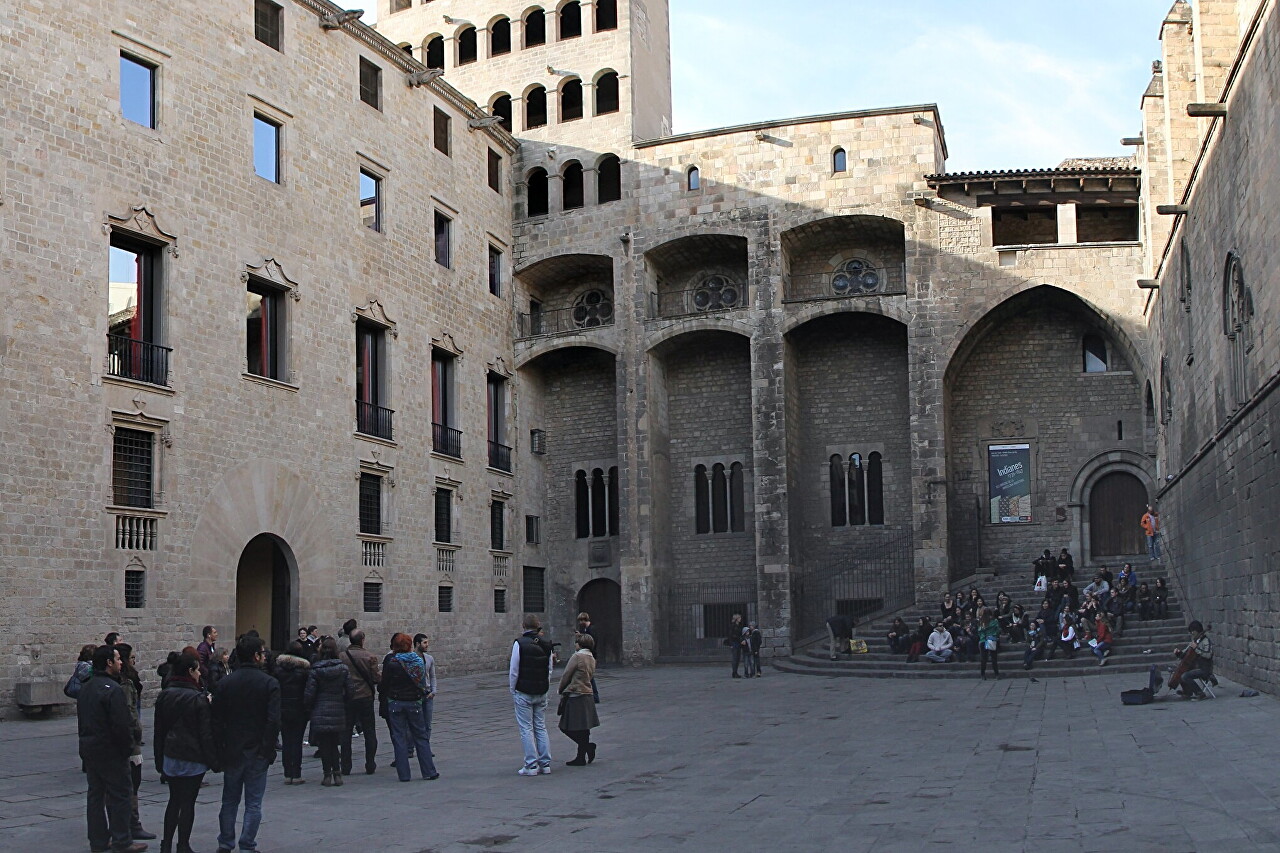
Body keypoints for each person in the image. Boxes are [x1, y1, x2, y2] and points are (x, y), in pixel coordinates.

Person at [212, 635, 280, 853]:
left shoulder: (225, 683)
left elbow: (216, 720)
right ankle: (247, 844)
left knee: (229, 800)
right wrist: (267, 749)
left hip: (232, 749)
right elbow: (273, 720)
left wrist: (220, 748)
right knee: (253, 802)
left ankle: (225, 842)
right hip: (257, 749)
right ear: (256, 656)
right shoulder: (269, 683)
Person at [79, 644, 147, 853]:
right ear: (108, 663)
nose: (121, 662)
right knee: (120, 796)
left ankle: (98, 841)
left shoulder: (87, 687)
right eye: (117, 659)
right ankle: (122, 840)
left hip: (91, 750)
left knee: (95, 796)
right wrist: (127, 748)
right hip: (111, 752)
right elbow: (121, 724)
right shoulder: (113, 690)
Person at [154, 651, 219, 853]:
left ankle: (166, 843)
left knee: (174, 800)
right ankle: (183, 844)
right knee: (188, 802)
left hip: (171, 754)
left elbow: (159, 731)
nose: (200, 674)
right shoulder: (197, 698)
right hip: (192, 756)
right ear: (190, 671)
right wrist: (214, 761)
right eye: (197, 670)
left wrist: (159, 760)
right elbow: (205, 734)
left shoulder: (165, 695)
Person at [379, 632, 438, 782]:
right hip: (414, 702)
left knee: (399, 738)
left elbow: (384, 684)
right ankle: (429, 771)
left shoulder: (391, 662)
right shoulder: (418, 662)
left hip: (396, 702)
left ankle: (404, 774)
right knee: (421, 736)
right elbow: (422, 683)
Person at [113, 644, 155, 843]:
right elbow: (129, 714)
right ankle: (131, 824)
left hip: (114, 741)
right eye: (130, 657)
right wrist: (135, 739)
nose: (131, 661)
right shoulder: (124, 684)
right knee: (131, 784)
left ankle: (126, 825)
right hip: (127, 740)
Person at [510, 615, 556, 776]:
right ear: (538, 627)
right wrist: (545, 684)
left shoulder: (519, 643)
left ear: (524, 626)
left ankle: (531, 765)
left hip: (524, 690)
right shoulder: (546, 644)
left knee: (526, 728)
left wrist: (513, 688)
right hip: (541, 690)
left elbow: (514, 670)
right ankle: (545, 763)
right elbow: (549, 669)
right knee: (540, 726)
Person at [304, 637, 352, 787]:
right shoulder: (343, 668)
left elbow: (310, 693)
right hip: (337, 707)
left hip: (320, 708)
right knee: (334, 742)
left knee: (325, 744)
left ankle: (327, 774)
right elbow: (350, 690)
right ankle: (337, 773)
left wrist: (309, 706)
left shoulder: (316, 669)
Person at [339, 628, 380, 777]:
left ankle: (345, 765)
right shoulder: (369, 656)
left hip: (347, 697)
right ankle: (370, 763)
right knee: (369, 731)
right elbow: (375, 678)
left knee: (346, 732)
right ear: (362, 640)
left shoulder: (342, 656)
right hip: (365, 697)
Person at [557, 633, 601, 766]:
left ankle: (586, 747)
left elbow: (567, 674)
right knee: (584, 728)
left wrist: (561, 688)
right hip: (587, 693)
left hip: (576, 693)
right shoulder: (591, 657)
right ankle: (581, 756)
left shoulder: (577, 656)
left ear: (580, 644)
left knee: (566, 726)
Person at [273, 641, 311, 785]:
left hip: (283, 708)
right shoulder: (304, 671)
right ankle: (296, 773)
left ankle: (287, 772)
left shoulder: (278, 670)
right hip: (299, 709)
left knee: (286, 740)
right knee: (297, 741)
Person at [1175, 621, 1215, 699]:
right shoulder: (1196, 641)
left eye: (1192, 631)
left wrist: (1196, 649)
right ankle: (1187, 692)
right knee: (1179, 671)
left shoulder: (1206, 641)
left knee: (1185, 676)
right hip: (1196, 666)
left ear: (1197, 631)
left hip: (1205, 668)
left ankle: (1199, 693)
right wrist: (1179, 653)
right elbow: (1185, 654)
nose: (1191, 633)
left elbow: (1208, 655)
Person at [977, 607, 1001, 680]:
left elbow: (980, 631)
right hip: (991, 639)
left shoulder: (982, 622)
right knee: (993, 658)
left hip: (984, 640)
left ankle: (983, 674)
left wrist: (985, 637)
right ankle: (996, 674)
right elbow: (997, 630)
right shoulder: (994, 621)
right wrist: (993, 636)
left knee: (984, 659)